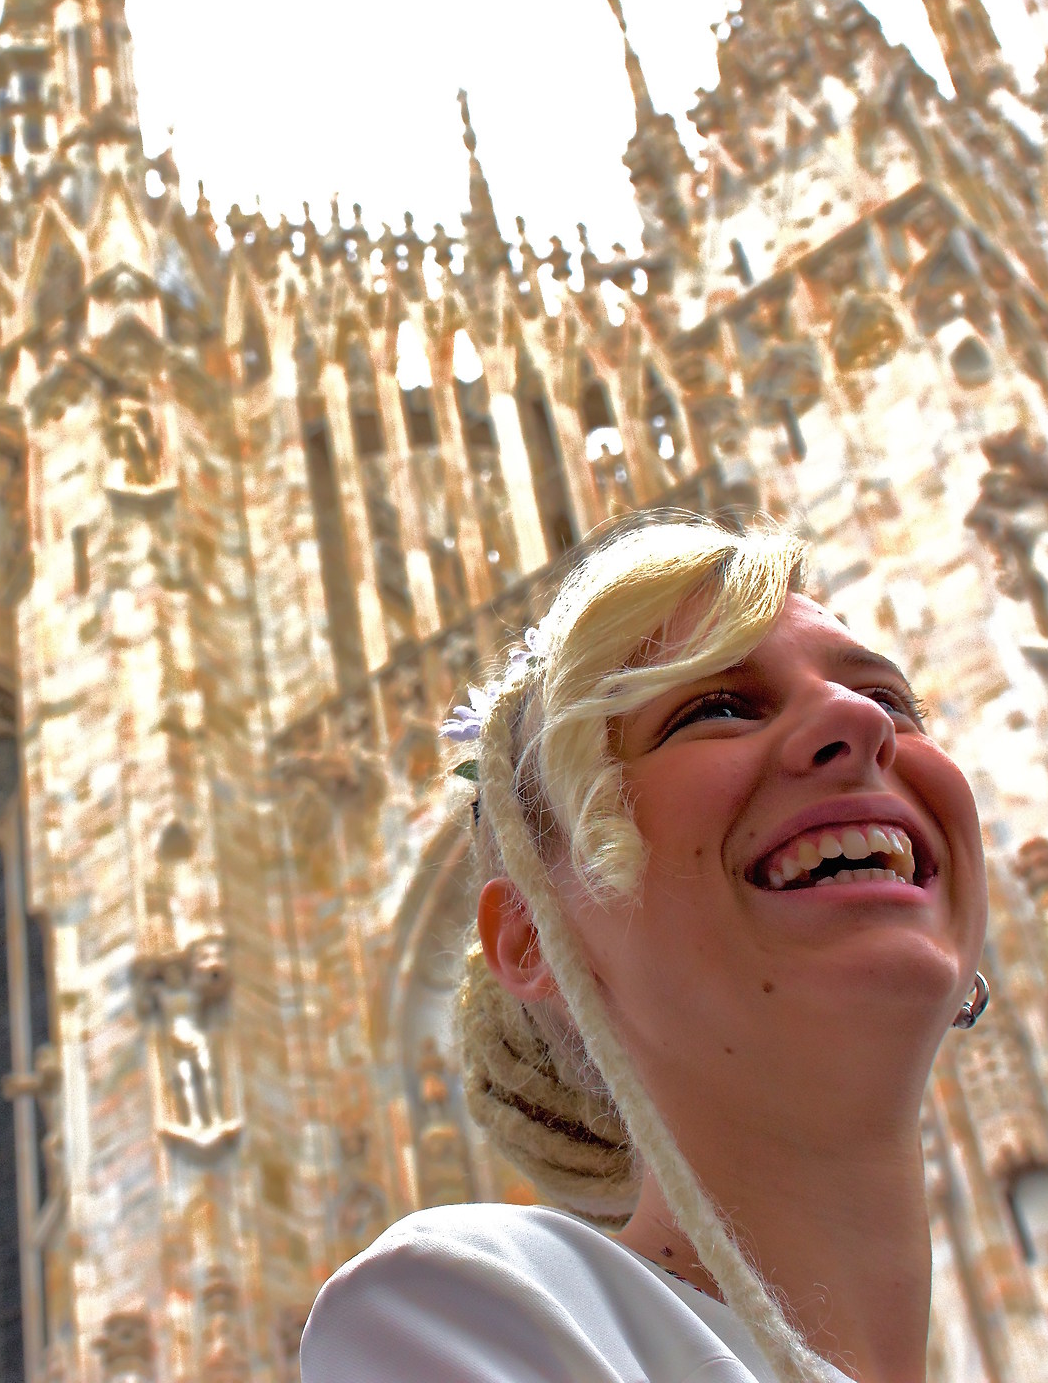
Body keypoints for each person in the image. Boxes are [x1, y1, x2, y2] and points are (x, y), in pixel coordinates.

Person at [300, 514, 989, 1383]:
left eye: (893, 701)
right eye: (718, 708)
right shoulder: (473, 1310)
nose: (857, 720)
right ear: (536, 936)